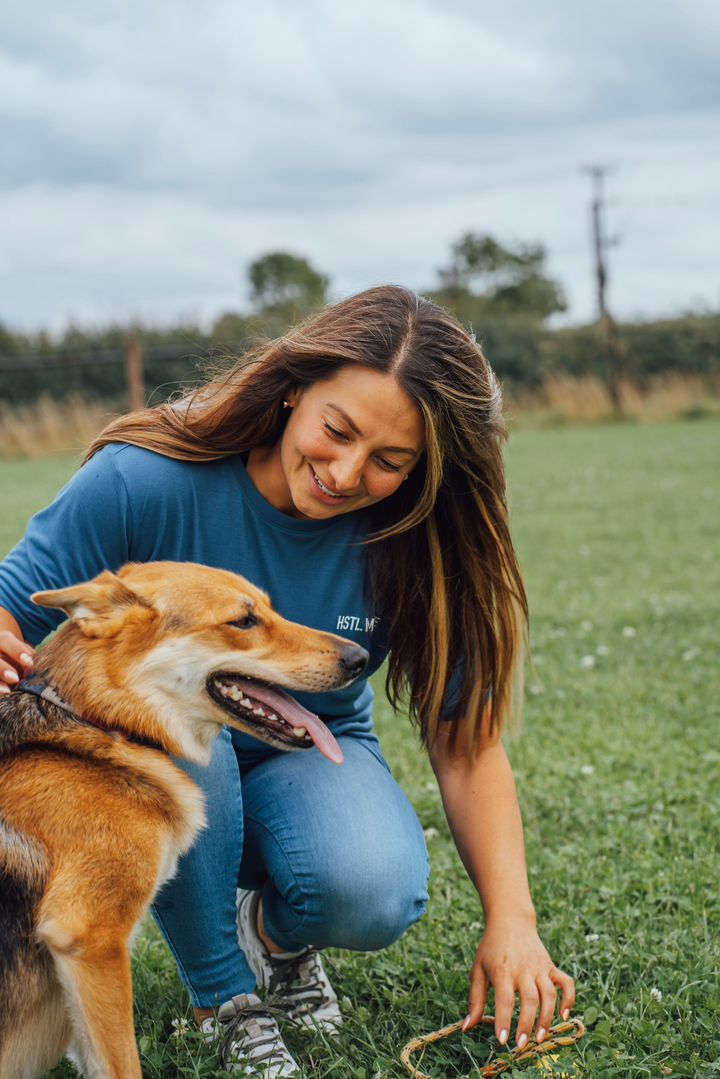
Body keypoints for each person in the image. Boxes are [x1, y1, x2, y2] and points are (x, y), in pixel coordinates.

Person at [0, 286, 574, 1076]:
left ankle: (268, 933)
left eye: (389, 461)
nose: (344, 472)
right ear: (293, 388)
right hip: (153, 739)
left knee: (374, 884)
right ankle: (222, 996)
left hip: (306, 745)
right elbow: (9, 610)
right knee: (190, 725)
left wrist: (513, 919)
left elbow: (467, 749)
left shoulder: (417, 541)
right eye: (336, 431)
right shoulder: (144, 478)